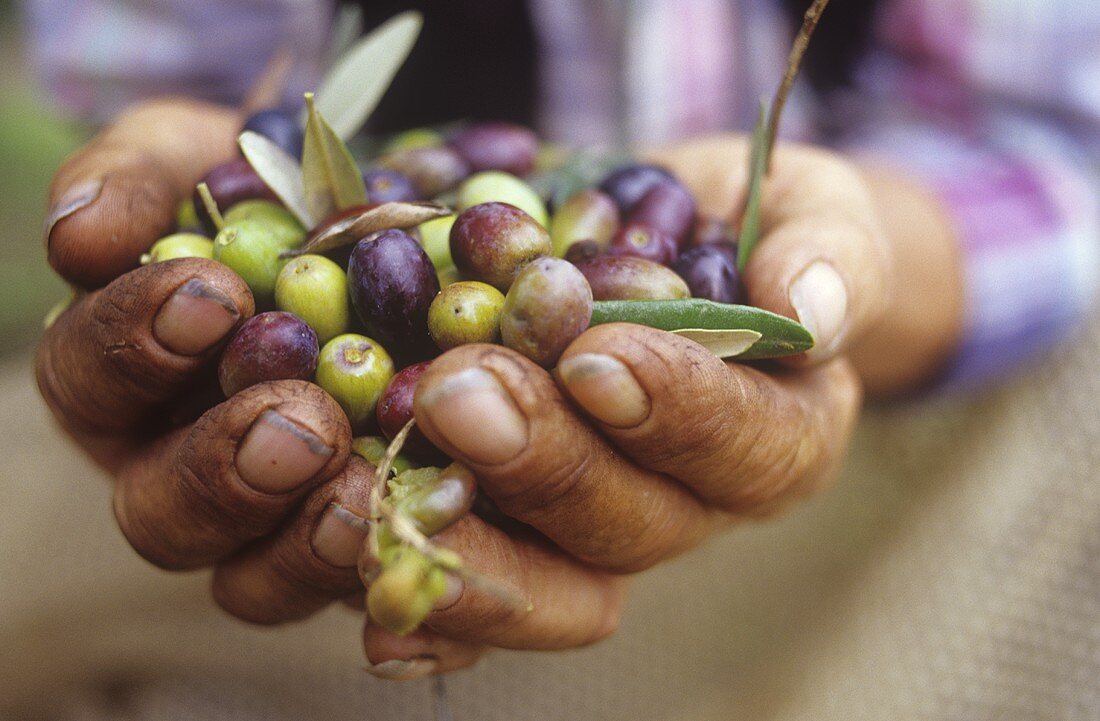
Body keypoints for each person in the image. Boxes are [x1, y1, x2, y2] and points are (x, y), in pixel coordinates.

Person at [19, 0, 1100, 706]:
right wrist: (182, 150)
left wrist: (848, 277)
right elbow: (190, 77)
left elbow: (1048, 150)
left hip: (913, 441)